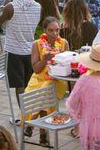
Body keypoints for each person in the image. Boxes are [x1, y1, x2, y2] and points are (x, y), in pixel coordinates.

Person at [0, 0, 41, 109]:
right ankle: (30, 112)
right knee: (28, 83)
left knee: (19, 85)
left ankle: (24, 115)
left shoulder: (11, 7)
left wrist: (3, 8)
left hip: (13, 51)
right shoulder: (38, 7)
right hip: (30, 50)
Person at [24, 17, 69, 146]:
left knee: (47, 88)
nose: (54, 34)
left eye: (57, 30)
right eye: (51, 31)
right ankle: (43, 135)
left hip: (57, 81)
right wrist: (44, 60)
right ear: (44, 30)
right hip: (38, 79)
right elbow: (36, 70)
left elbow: (67, 66)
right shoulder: (37, 44)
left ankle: (31, 125)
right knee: (43, 91)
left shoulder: (64, 43)